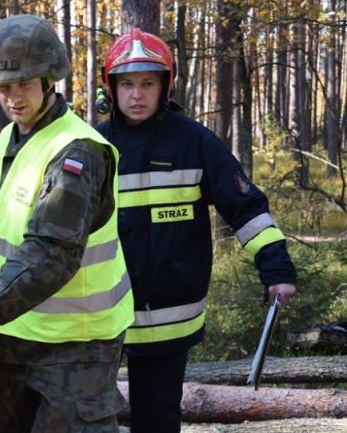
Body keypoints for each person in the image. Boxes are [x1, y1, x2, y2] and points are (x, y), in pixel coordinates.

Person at [94, 29, 297, 432]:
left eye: (148, 83)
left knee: (158, 418)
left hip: (172, 313)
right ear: (111, 88)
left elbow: (247, 210)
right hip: (102, 315)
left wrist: (276, 269)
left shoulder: (195, 141)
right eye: (128, 84)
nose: (137, 95)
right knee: (90, 415)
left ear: (165, 85)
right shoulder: (92, 146)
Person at [0, 13, 134, 432]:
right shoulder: (11, 138)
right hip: (18, 333)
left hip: (76, 347)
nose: (13, 97)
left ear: (50, 80)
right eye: (3, 88)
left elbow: (52, 255)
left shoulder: (77, 151)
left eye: (24, 84)